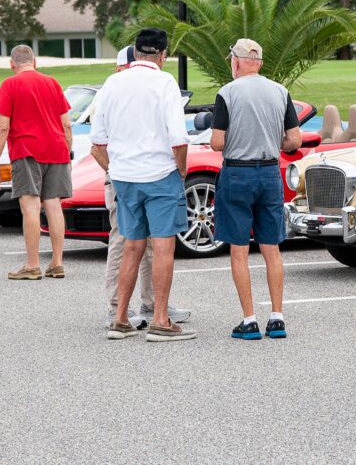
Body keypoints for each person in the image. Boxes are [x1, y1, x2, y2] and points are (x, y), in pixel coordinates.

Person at [101, 28, 195, 342]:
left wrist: (115, 167)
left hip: (124, 176)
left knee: (131, 245)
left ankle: (120, 319)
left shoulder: (113, 82)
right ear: (163, 55)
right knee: (164, 246)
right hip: (159, 174)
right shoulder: (165, 82)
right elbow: (178, 138)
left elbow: (98, 139)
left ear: (136, 51)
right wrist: (181, 170)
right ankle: (160, 320)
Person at [210, 39, 301, 340]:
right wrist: (272, 141)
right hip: (269, 173)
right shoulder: (280, 91)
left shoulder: (227, 92)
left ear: (235, 62)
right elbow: (294, 140)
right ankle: (277, 317)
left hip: (238, 173)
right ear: (260, 63)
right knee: (271, 247)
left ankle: (249, 320)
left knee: (239, 248)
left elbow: (217, 142)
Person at [0, 45, 73, 281]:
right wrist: (67, 153)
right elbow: (66, 123)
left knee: (31, 207)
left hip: (26, 151)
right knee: (54, 205)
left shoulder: (10, 84)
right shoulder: (52, 83)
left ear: (11, 64)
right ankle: (57, 263)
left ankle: (33, 265)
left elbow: (2, 126)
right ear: (34, 62)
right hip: (57, 150)